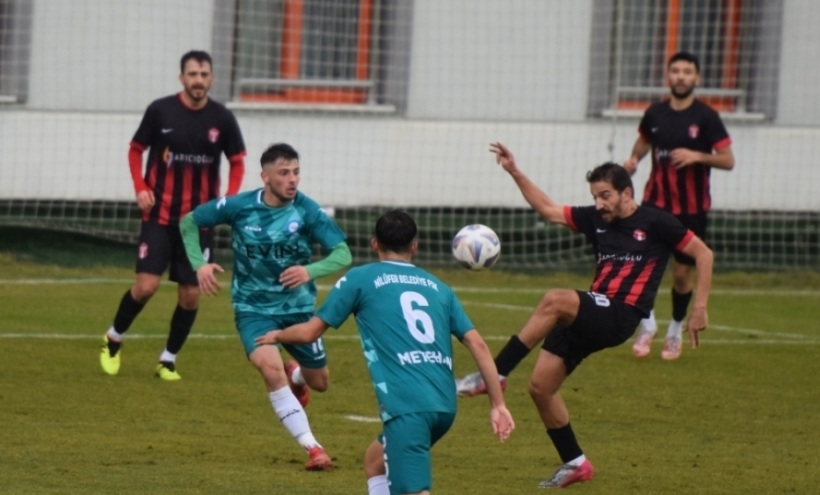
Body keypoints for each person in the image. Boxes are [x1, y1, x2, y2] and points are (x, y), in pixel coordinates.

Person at [455, 142, 713, 489]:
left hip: (621, 314)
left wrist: (699, 307)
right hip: (593, 309)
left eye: (605, 195)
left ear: (626, 192)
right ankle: (576, 462)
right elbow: (547, 209)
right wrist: (514, 170)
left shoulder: (656, 222)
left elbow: (703, 253)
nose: (599, 204)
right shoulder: (596, 219)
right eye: (595, 196)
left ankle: (496, 374)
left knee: (555, 300)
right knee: (541, 388)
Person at [255, 209, 514, 495]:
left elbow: (308, 333)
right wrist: (498, 404)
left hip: (407, 406)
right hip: (444, 404)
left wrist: (277, 334)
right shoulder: (440, 288)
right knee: (375, 462)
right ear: (414, 246)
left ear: (374, 243)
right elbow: (478, 344)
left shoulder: (360, 279)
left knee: (413, 491)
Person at [179, 142, 352, 471]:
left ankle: (297, 376)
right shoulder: (239, 206)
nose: (293, 180)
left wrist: (308, 271)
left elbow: (343, 254)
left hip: (299, 311)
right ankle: (314, 449)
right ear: (266, 177)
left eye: (296, 172)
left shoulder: (307, 210)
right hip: (253, 309)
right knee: (270, 370)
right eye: (284, 173)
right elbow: (189, 222)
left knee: (320, 382)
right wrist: (198, 264)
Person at [99, 50, 247, 380]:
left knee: (191, 294)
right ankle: (113, 338)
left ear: (212, 78)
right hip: (159, 216)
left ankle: (167, 359)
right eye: (192, 74)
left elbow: (237, 159)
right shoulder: (160, 110)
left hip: (198, 222)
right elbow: (135, 149)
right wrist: (140, 186)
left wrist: (230, 198)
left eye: (204, 74)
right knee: (146, 286)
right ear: (182, 78)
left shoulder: (222, 118)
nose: (198, 80)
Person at [622, 51, 734, 360]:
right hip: (655, 204)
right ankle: (647, 326)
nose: (681, 76)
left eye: (687, 72)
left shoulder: (707, 117)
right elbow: (644, 141)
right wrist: (634, 160)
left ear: (697, 79)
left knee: (682, 275)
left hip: (692, 210)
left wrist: (698, 155)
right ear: (668, 76)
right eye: (676, 71)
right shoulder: (655, 112)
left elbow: (728, 160)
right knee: (639, 266)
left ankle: (674, 331)